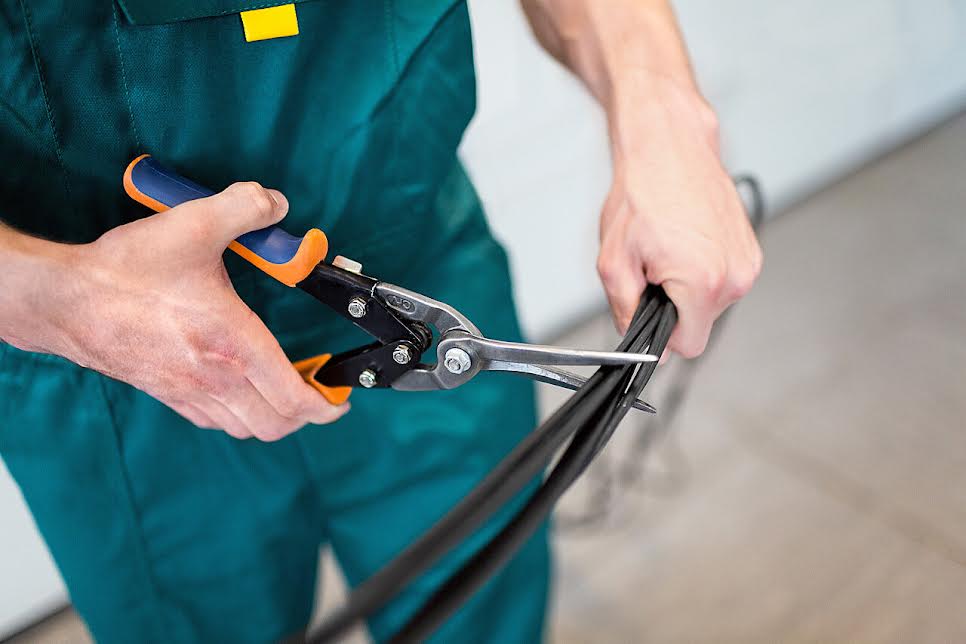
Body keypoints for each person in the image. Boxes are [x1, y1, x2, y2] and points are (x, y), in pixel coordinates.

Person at [0, 0, 761, 642]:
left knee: (478, 611)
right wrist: (56, 298)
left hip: (415, 262)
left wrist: (664, 116)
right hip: (110, 361)